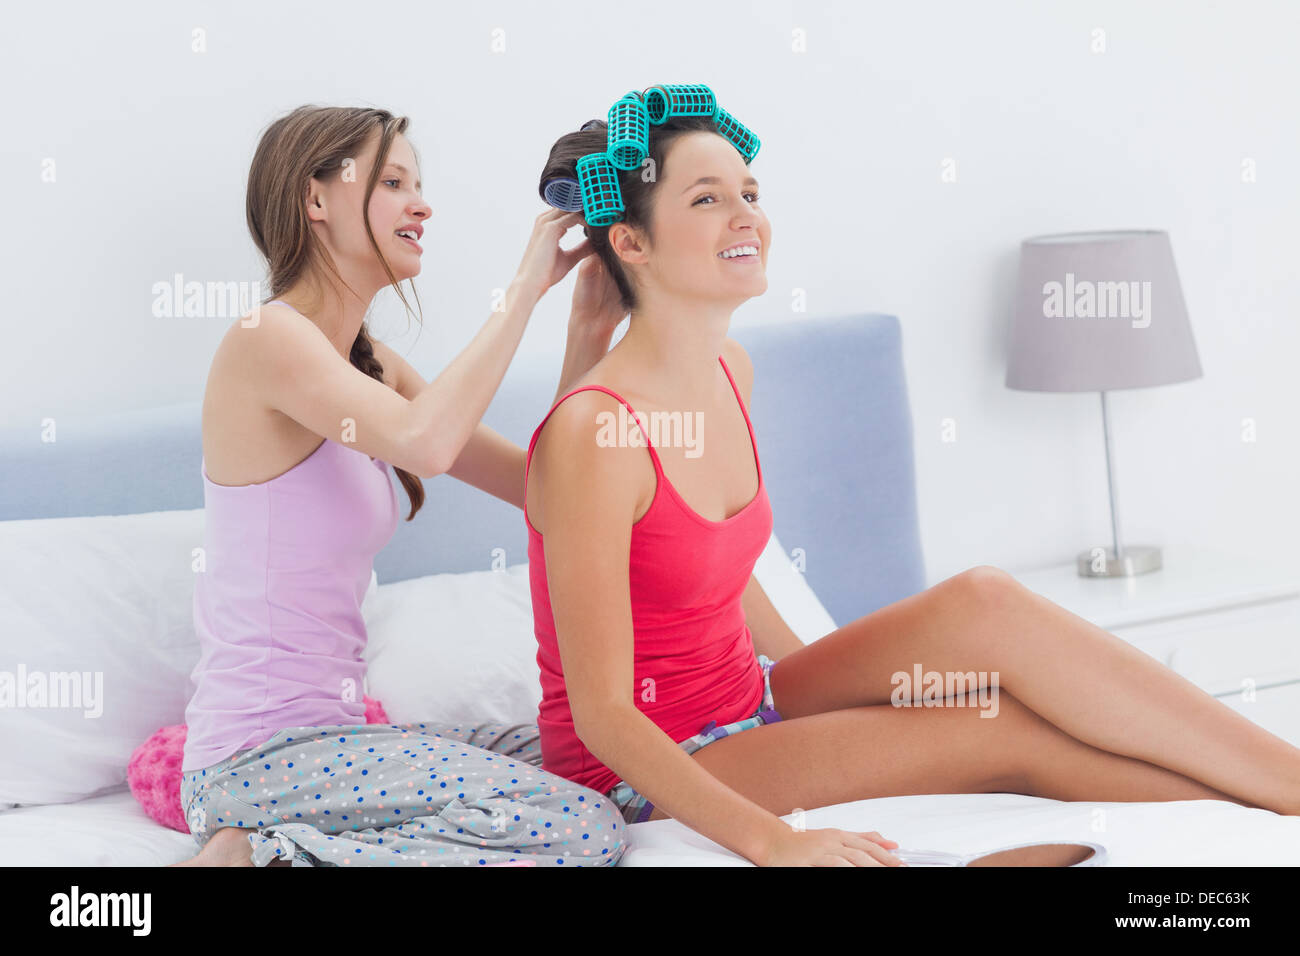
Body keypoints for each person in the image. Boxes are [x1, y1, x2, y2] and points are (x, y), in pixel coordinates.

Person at [522, 100, 1300, 868]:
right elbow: (604, 715)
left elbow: (709, 576)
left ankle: (1287, 783)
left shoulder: (731, 369)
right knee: (1002, 726)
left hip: (750, 699)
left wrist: (840, 698)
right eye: (706, 199)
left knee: (985, 602)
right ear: (632, 242)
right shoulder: (596, 430)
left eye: (750, 194)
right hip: (647, 763)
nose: (745, 216)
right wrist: (776, 841)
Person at [173, 105, 627, 867]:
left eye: (418, 184)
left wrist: (585, 331)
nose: (422, 204)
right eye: (392, 182)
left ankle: (289, 845)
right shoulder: (265, 340)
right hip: (253, 761)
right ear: (315, 199)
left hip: (339, 746)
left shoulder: (365, 362)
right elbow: (429, 441)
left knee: (590, 755)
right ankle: (266, 855)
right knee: (584, 826)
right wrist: (523, 289)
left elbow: (547, 493)